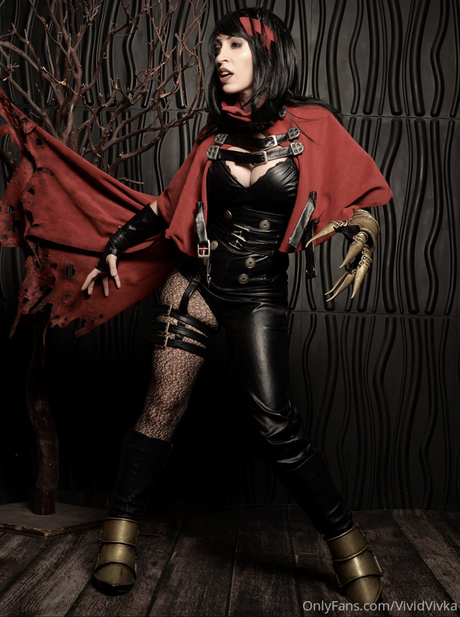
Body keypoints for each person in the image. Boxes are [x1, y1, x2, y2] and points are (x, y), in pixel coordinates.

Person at [84, 6, 390, 605]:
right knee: (161, 406)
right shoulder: (214, 137)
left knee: (275, 425)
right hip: (194, 286)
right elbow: (167, 204)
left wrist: (366, 229)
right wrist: (115, 243)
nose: (220, 58)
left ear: (265, 52)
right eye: (217, 47)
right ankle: (117, 542)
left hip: (258, 295)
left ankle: (350, 545)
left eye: (234, 46)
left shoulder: (314, 126)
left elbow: (355, 194)